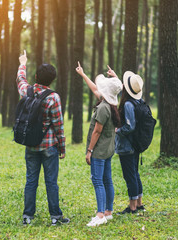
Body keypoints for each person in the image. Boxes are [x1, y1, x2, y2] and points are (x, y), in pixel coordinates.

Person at [16, 50, 69, 226]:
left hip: (31, 145)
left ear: (37, 76)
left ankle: (27, 217)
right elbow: (58, 125)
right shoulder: (53, 97)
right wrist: (62, 148)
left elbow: (20, 80)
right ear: (52, 80)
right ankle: (55, 217)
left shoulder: (27, 91)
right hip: (49, 147)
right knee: (51, 182)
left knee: (31, 181)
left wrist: (22, 63)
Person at [76, 62, 123, 227]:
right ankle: (108, 212)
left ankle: (100, 215)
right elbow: (96, 89)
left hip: (100, 151)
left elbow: (96, 132)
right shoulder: (111, 104)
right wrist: (83, 74)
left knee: (98, 181)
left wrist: (89, 150)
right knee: (107, 179)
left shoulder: (103, 108)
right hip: (109, 149)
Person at [115, 71, 146, 214]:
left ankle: (132, 207)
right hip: (135, 144)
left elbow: (129, 126)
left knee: (130, 176)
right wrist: (115, 76)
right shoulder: (138, 101)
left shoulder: (127, 104)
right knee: (135, 174)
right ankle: (139, 204)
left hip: (127, 146)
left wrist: (117, 131)